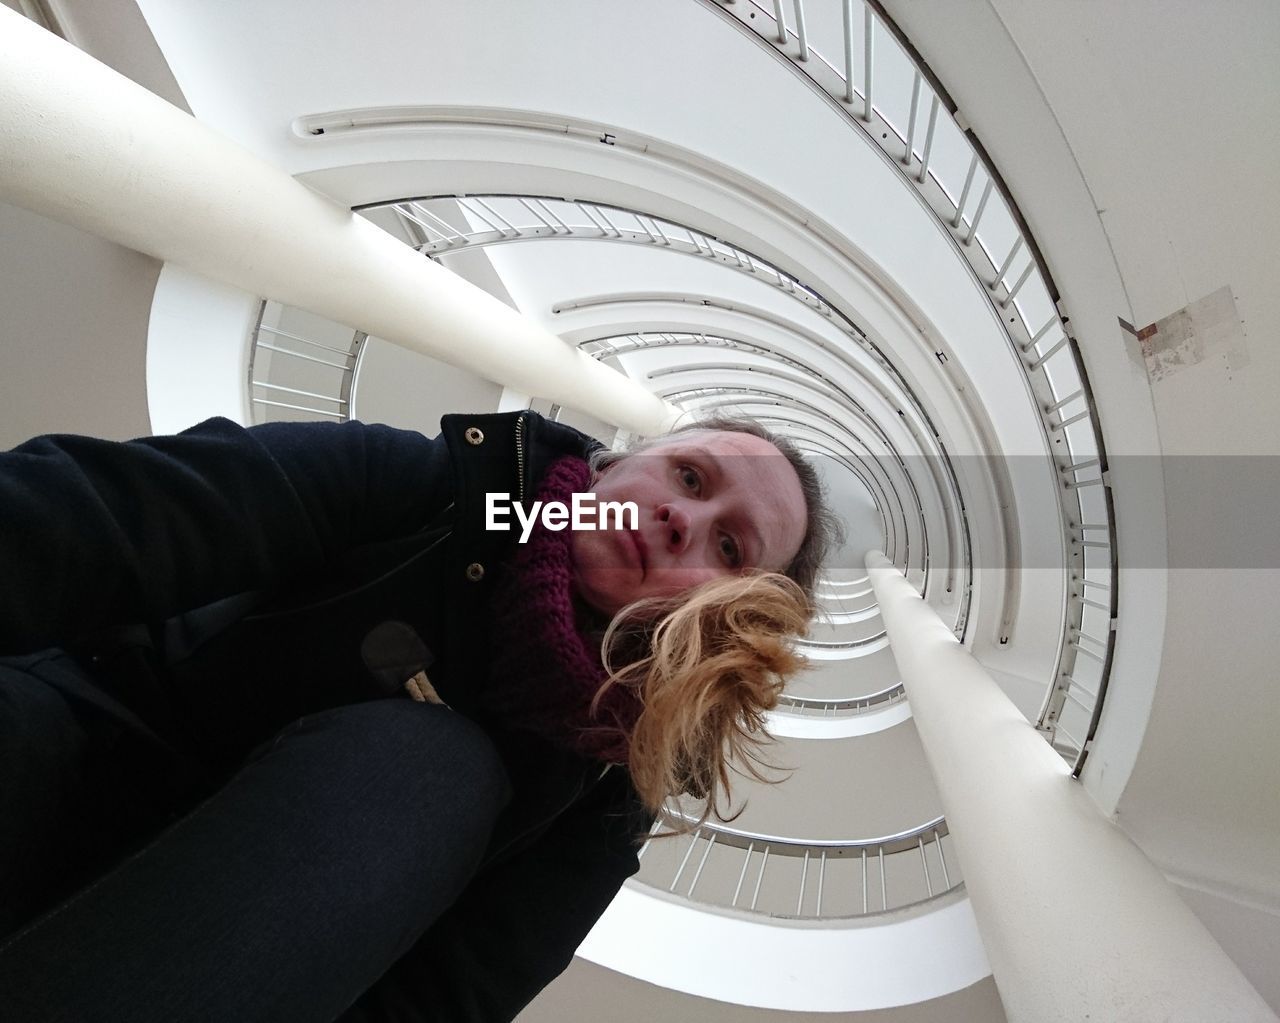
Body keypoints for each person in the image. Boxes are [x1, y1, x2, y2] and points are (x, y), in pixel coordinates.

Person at [0, 408, 837, 1022]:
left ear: (729, 615)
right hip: (74, 743)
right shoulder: (438, 490)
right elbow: (102, 516)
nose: (682, 518)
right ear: (615, 465)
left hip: (209, 973)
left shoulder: (608, 793)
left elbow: (441, 1002)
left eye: (728, 548)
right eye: (688, 476)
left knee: (436, 765)